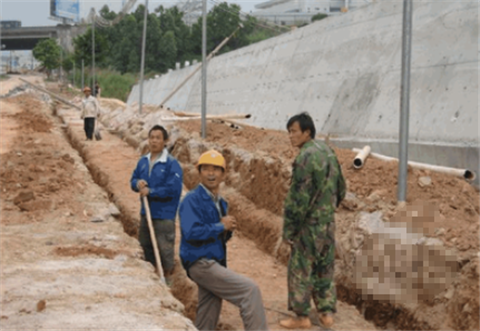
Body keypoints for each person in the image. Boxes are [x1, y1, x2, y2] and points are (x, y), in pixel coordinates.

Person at [179, 150, 269, 331]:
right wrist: (221, 226)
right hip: (200, 262)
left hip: (213, 261)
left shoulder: (221, 202)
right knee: (249, 291)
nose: (211, 173)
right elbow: (191, 233)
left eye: (216, 169)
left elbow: (217, 236)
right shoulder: (191, 200)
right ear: (199, 172)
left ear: (223, 174)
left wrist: (227, 230)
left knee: (209, 308)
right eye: (206, 169)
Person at [279, 113, 346, 329]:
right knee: (324, 267)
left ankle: (301, 316)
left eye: (294, 131)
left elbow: (298, 200)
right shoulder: (328, 151)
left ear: (307, 132)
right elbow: (341, 188)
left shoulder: (304, 157)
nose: (291, 136)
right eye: (289, 131)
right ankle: (326, 313)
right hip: (327, 223)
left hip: (308, 226)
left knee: (300, 269)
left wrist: (289, 230)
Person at [130, 125, 183, 281]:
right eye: (151, 137)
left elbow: (173, 189)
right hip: (146, 213)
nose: (154, 141)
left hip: (164, 215)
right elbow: (132, 180)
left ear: (165, 141)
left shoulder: (172, 164)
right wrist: (137, 183)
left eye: (158, 138)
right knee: (146, 246)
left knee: (164, 249)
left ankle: (168, 281)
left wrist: (151, 192)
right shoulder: (143, 161)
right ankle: (150, 278)